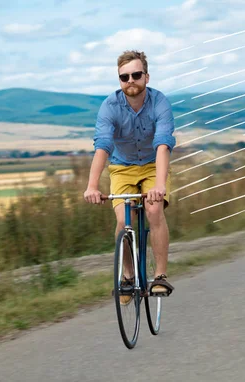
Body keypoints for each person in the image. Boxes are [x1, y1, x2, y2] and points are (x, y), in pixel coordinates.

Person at [83, 50, 176, 300]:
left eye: (136, 75)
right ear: (119, 80)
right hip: (122, 167)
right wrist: (92, 186)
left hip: (152, 165)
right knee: (123, 221)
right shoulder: (109, 106)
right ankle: (128, 275)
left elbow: (163, 144)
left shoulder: (160, 102)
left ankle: (160, 276)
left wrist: (159, 185)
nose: (131, 81)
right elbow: (103, 146)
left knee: (154, 209)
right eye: (125, 77)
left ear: (146, 76)